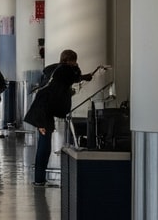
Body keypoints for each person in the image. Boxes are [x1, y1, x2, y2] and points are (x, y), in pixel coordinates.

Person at [24, 49, 107, 182]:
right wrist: (79, 70)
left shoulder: (53, 70)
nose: (75, 63)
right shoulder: (66, 70)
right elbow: (76, 77)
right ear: (70, 61)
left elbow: (65, 84)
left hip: (42, 108)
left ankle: (39, 179)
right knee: (44, 146)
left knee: (44, 144)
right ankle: (39, 179)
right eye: (74, 60)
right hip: (44, 111)